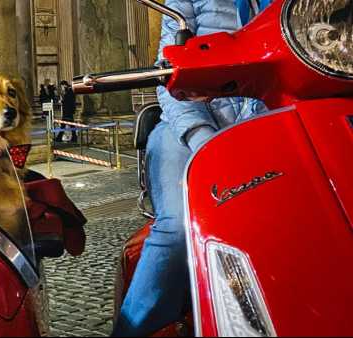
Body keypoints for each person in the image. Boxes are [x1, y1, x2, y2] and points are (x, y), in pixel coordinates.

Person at [113, 0, 272, 336]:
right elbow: (168, 70)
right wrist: (203, 139)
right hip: (189, 130)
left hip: (270, 128)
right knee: (181, 226)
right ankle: (132, 329)